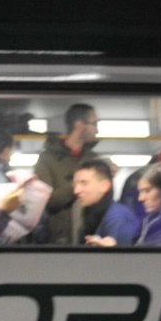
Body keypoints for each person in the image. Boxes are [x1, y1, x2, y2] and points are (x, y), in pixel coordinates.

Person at [34, 103, 98, 243]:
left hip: (91, 236)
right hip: (59, 239)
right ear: (79, 125)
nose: (97, 130)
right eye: (94, 123)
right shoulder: (48, 160)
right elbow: (44, 201)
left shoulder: (94, 159)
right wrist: (78, 185)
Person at [73, 160, 140, 246]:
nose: (76, 191)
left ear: (105, 186)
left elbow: (122, 257)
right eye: (74, 185)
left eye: (84, 183)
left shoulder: (119, 217)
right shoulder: (90, 216)